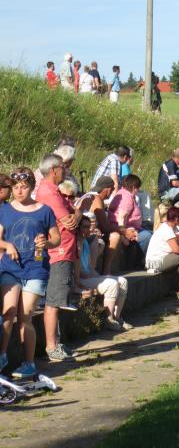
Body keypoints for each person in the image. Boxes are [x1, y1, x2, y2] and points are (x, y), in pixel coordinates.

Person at [0, 168, 61, 378]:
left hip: (35, 268)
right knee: (8, 311)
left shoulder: (44, 211)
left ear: (31, 187)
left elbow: (56, 238)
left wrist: (46, 242)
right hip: (11, 267)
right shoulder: (5, 210)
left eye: (24, 187)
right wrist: (7, 245)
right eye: (15, 187)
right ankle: (2, 356)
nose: (19, 191)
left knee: (24, 315)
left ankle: (28, 363)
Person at [35, 154, 82, 361]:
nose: (66, 170)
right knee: (54, 300)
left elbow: (74, 215)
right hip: (59, 251)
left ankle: (56, 342)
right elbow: (70, 221)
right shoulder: (49, 193)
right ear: (54, 170)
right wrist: (78, 212)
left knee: (58, 299)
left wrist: (77, 213)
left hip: (64, 250)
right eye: (63, 167)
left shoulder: (56, 191)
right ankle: (51, 346)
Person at [75, 216, 132, 332]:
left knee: (122, 281)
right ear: (78, 228)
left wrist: (99, 277)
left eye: (90, 226)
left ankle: (117, 317)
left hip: (89, 276)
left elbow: (90, 267)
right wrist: (99, 279)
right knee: (111, 284)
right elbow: (77, 271)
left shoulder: (85, 242)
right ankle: (109, 319)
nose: (89, 229)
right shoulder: (75, 244)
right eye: (86, 227)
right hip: (80, 280)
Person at [107, 174, 153, 254]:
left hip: (130, 226)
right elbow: (121, 217)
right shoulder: (127, 198)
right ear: (133, 187)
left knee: (149, 231)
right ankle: (139, 259)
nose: (138, 190)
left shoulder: (121, 192)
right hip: (126, 228)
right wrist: (124, 233)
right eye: (137, 188)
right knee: (147, 236)